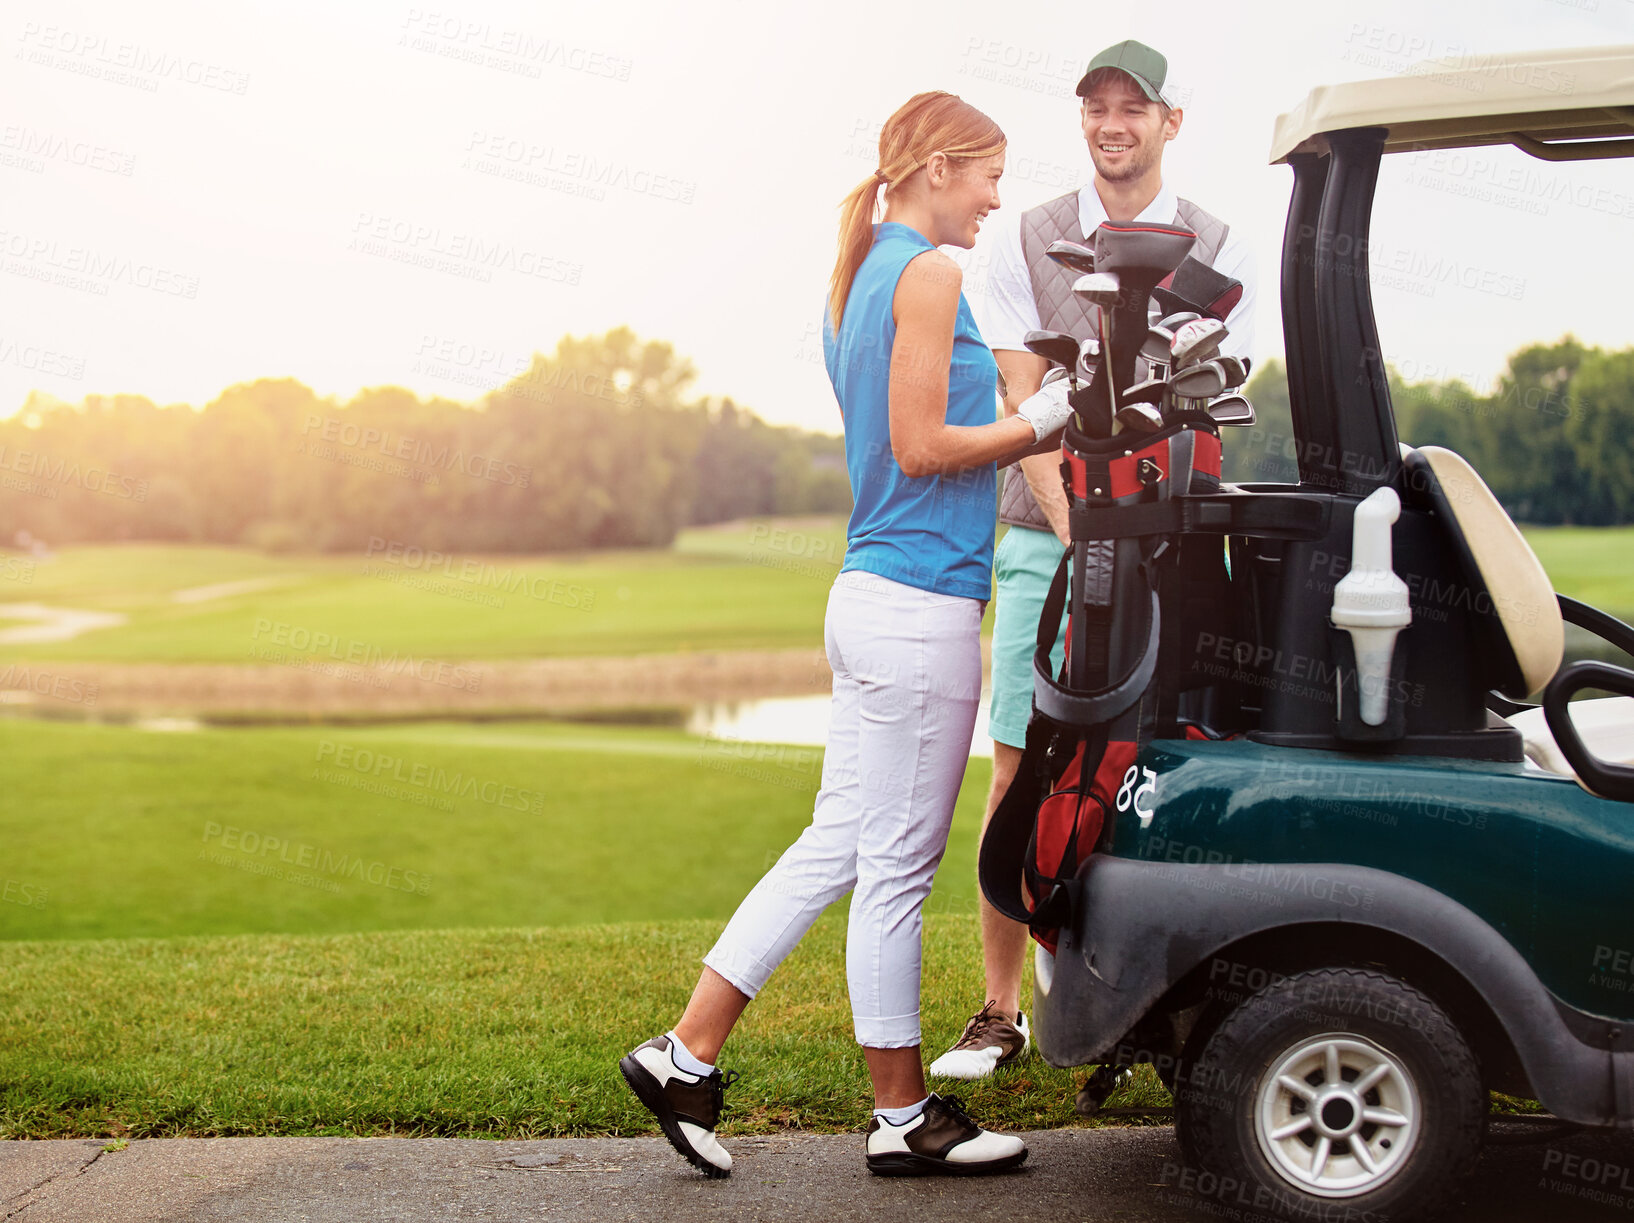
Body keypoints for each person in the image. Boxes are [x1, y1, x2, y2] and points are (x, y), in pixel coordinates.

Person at [619, 90, 1075, 1178]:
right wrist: (1037, 423)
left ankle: (683, 1052)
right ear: (930, 166)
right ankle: (903, 1113)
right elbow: (919, 445)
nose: (994, 197)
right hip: (916, 607)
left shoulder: (859, 270)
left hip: (871, 597)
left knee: (839, 841)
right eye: (983, 174)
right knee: (897, 870)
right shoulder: (925, 272)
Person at [930, 39, 1257, 1080]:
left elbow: (1213, 405)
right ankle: (996, 1009)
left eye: (1133, 108)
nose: (1111, 124)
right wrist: (1084, 541)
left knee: (1153, 758)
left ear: (1168, 123)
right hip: (1045, 538)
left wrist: (1136, 544)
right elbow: (1022, 409)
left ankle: (1137, 995)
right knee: (1025, 757)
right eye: (1095, 107)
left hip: (1167, 544)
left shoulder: (1211, 240)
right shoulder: (1029, 237)